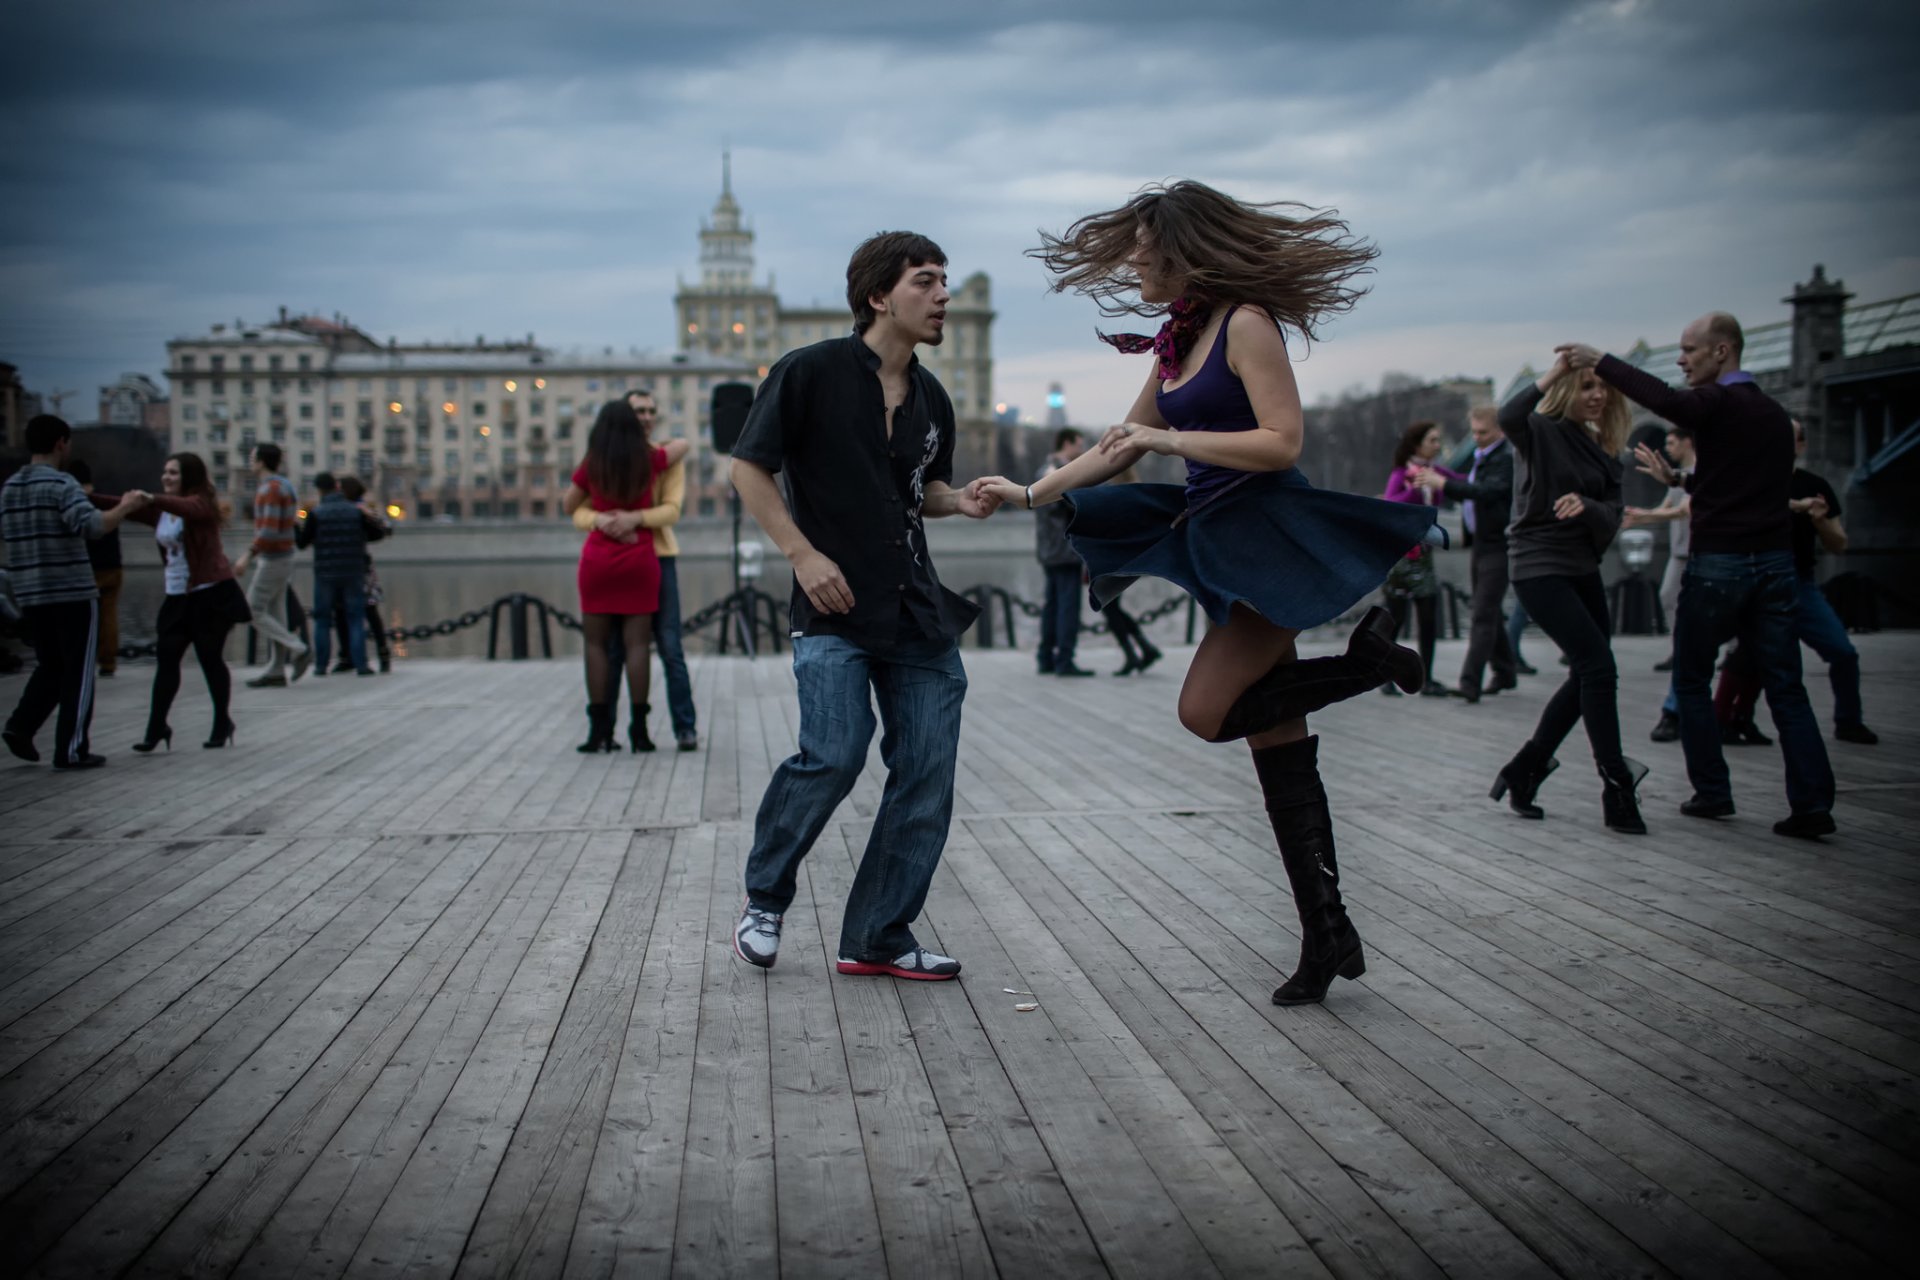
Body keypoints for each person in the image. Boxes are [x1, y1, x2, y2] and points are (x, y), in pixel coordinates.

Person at [975, 181, 1437, 1006]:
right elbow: (1120, 447)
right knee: (1278, 745)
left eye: (1145, 251)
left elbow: (1280, 440)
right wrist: (1029, 492)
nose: (1134, 264)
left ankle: (1369, 662)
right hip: (1216, 535)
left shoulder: (1245, 324)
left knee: (1207, 711)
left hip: (1266, 533)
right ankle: (1327, 935)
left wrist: (1170, 437)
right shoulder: (1175, 340)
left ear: (1185, 250)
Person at [729, 230, 999, 984]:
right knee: (835, 754)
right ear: (880, 295)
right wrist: (802, 555)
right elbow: (748, 468)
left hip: (917, 612)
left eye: (946, 280)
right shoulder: (809, 372)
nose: (944, 295)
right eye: (926, 280)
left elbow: (925, 492)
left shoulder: (932, 395)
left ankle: (877, 936)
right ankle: (764, 898)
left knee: (926, 773)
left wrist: (962, 499)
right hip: (833, 608)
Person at [1564, 313, 1836, 839]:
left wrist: (1599, 360)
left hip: (1719, 564)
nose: (1682, 360)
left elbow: (1671, 402)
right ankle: (1812, 804)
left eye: (1690, 350)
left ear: (1723, 351)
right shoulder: (1776, 418)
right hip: (1776, 564)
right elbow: (1746, 483)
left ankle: (1712, 791)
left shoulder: (1717, 403)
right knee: (1787, 687)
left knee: (1691, 678)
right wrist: (1682, 479)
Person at [1486, 352, 1645, 833]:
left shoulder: (1603, 447)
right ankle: (1616, 783)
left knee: (1588, 672)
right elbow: (1508, 416)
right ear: (1565, 392)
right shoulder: (1540, 433)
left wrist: (1588, 507)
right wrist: (1556, 371)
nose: (1597, 395)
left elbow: (1614, 514)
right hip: (1538, 566)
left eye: (1602, 387)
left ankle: (1525, 771)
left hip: (1582, 565)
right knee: (1598, 666)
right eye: (1586, 386)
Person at [1, 415, 145, 769]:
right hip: (72, 591)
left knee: (50, 665)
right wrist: (125, 506)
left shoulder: (9, 488)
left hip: (31, 593)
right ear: (62, 443)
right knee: (79, 671)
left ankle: (21, 726)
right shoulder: (62, 484)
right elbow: (93, 525)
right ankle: (72, 749)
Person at [104, 453, 252, 752]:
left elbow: (187, 507)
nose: (166, 477)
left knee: (210, 659)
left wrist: (150, 498)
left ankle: (222, 721)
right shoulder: (161, 511)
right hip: (177, 598)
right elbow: (119, 505)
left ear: (190, 477)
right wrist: (83, 496)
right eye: (164, 472)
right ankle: (157, 726)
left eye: (173, 473)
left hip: (210, 594)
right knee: (167, 660)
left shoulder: (200, 505)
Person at [563, 401, 687, 753]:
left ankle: (598, 732)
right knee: (637, 647)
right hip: (639, 558)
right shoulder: (648, 460)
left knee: (595, 646)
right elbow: (681, 446)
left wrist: (601, 518)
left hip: (599, 558)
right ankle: (640, 730)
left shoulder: (593, 463)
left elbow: (568, 505)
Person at [588, 386, 700, 751]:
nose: (647, 417)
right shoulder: (607, 455)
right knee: (619, 649)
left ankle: (685, 727)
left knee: (670, 646)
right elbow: (578, 509)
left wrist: (633, 518)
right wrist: (603, 521)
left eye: (652, 411)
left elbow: (672, 510)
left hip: (659, 556)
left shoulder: (664, 457)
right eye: (639, 411)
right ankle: (613, 730)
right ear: (626, 416)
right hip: (624, 557)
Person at [1413, 405, 1517, 701]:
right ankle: (1505, 671)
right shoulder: (1485, 456)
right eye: (1473, 432)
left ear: (1500, 430)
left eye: (1483, 432)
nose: (1477, 437)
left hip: (1499, 544)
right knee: (1489, 610)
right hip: (1483, 542)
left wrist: (1442, 483)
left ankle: (1470, 682)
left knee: (1483, 611)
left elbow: (1486, 491)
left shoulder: (1505, 458)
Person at [1785, 419, 1876, 744]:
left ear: (1801, 446)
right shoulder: (1753, 484)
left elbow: (1839, 544)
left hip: (1800, 582)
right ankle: (1732, 718)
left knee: (1843, 653)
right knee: (1754, 661)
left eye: (1789, 438)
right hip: (1756, 580)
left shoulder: (1815, 486)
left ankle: (1848, 721)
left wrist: (1820, 520)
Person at [1625, 425, 1694, 741]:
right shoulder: (1677, 476)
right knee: (1668, 597)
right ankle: (1678, 652)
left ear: (1687, 442)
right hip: (1681, 554)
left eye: (1671, 442)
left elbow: (1684, 511)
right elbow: (1670, 509)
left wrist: (1647, 517)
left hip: (1702, 554)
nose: (1667, 448)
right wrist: (1642, 515)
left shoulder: (1697, 475)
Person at [1380, 421, 1456, 696]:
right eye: (1433, 440)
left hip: (1423, 555)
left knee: (1428, 616)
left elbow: (1460, 482)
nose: (1437, 445)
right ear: (1417, 444)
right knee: (1395, 617)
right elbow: (1391, 503)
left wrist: (1441, 482)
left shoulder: (1435, 471)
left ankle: (1427, 677)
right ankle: (1384, 676)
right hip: (1401, 555)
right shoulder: (1402, 473)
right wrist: (1414, 487)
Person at [233, 443, 311, 688]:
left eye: (252, 457)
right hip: (284, 556)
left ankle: (297, 648)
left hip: (274, 558)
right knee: (277, 614)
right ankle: (277, 670)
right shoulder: (284, 485)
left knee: (251, 609)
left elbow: (268, 530)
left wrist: (247, 556)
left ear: (261, 462)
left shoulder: (271, 489)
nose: (250, 461)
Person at [295, 472, 387, 678]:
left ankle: (321, 666)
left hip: (325, 573)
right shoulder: (355, 512)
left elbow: (301, 543)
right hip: (353, 571)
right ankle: (361, 665)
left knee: (322, 620)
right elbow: (378, 533)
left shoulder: (316, 513)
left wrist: (294, 526)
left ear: (319, 490)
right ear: (337, 486)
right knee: (356, 618)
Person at [1035, 428, 1093, 676]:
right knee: (1068, 607)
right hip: (1066, 549)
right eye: (1078, 446)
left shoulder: (1043, 470)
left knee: (1052, 605)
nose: (1080, 451)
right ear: (1066, 444)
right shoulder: (1060, 473)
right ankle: (1065, 660)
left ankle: (1046, 657)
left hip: (1048, 549)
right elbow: (1073, 505)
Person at [65, 460, 123, 680]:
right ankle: (108, 662)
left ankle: (82, 658)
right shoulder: (106, 500)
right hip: (113, 565)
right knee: (109, 615)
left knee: (82, 616)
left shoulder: (75, 502)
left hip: (86, 568)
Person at [336, 477, 393, 673]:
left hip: (357, 568)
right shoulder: (343, 509)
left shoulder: (359, 509)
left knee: (367, 611)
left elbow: (385, 528)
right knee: (354, 612)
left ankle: (376, 654)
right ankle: (352, 656)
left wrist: (368, 513)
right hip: (353, 566)